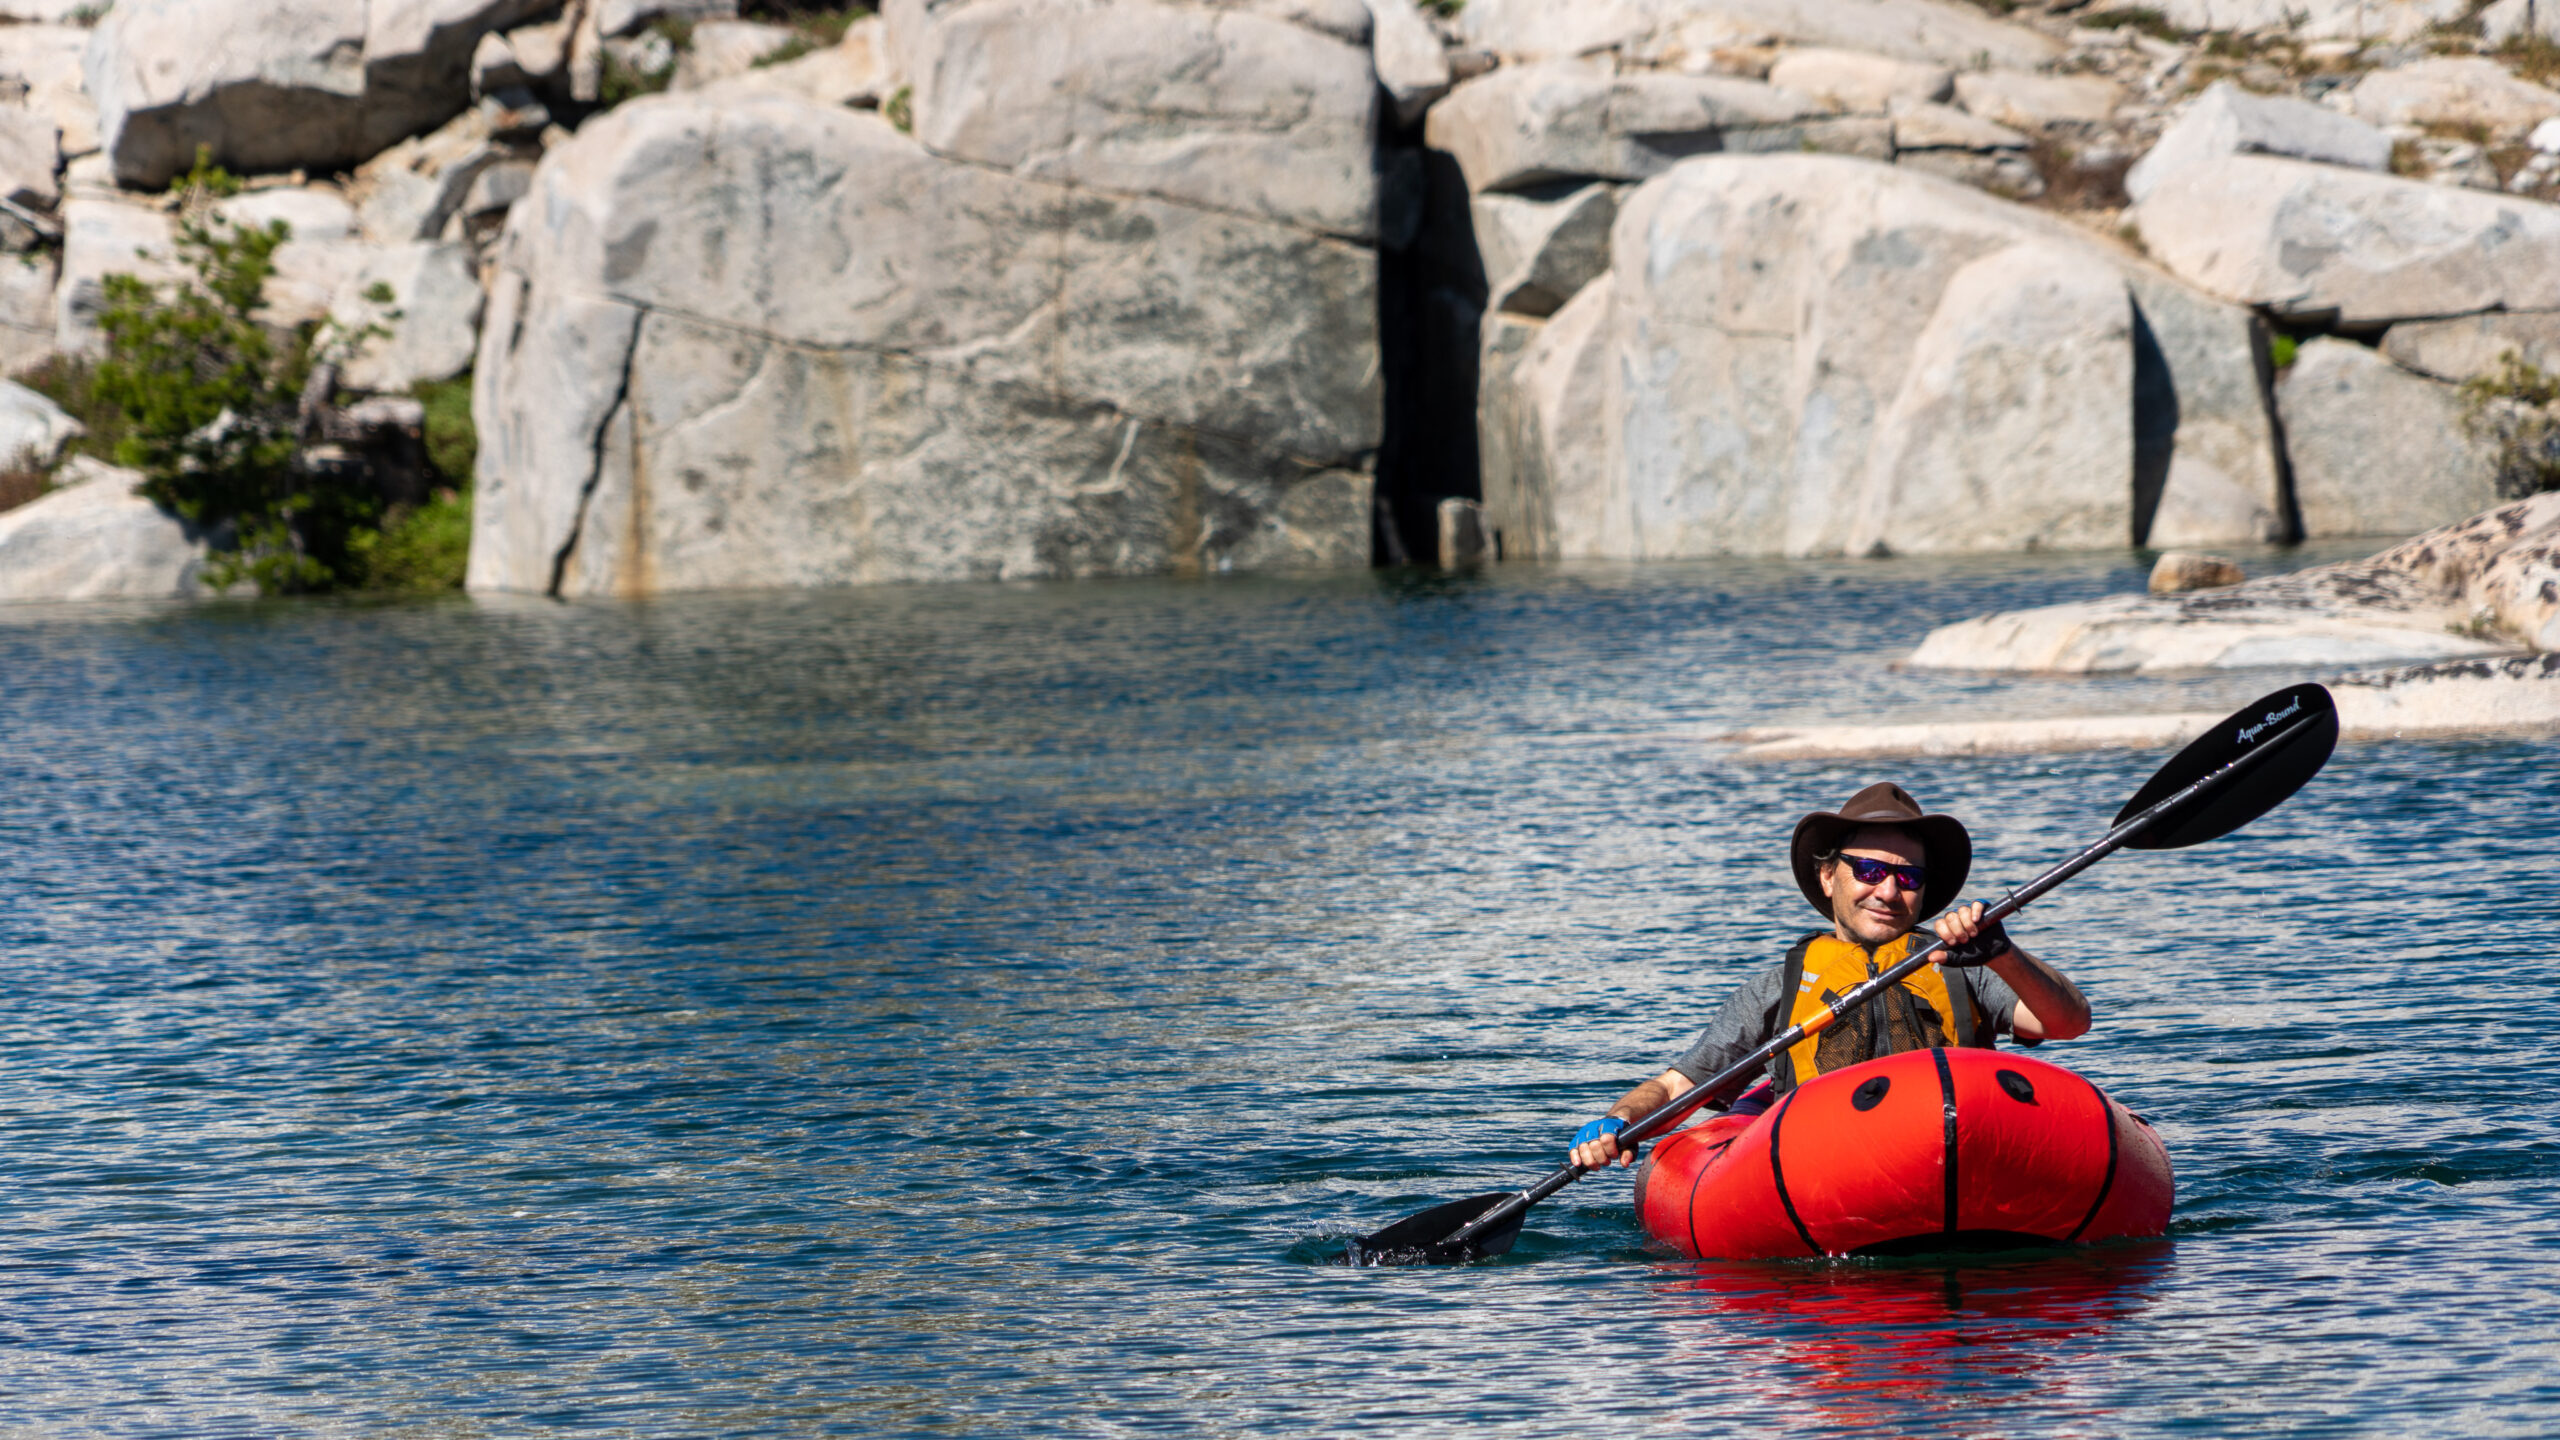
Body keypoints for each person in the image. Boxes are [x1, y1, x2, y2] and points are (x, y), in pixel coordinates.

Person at [1567, 782, 2092, 1170]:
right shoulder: (1778, 987)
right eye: (1868, 871)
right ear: (1826, 875)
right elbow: (1680, 1084)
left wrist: (2003, 954)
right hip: (1822, 1163)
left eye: (1908, 877)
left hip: (1961, 1152)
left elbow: (2068, 1024)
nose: (1888, 892)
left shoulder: (1966, 964)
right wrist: (1618, 1121)